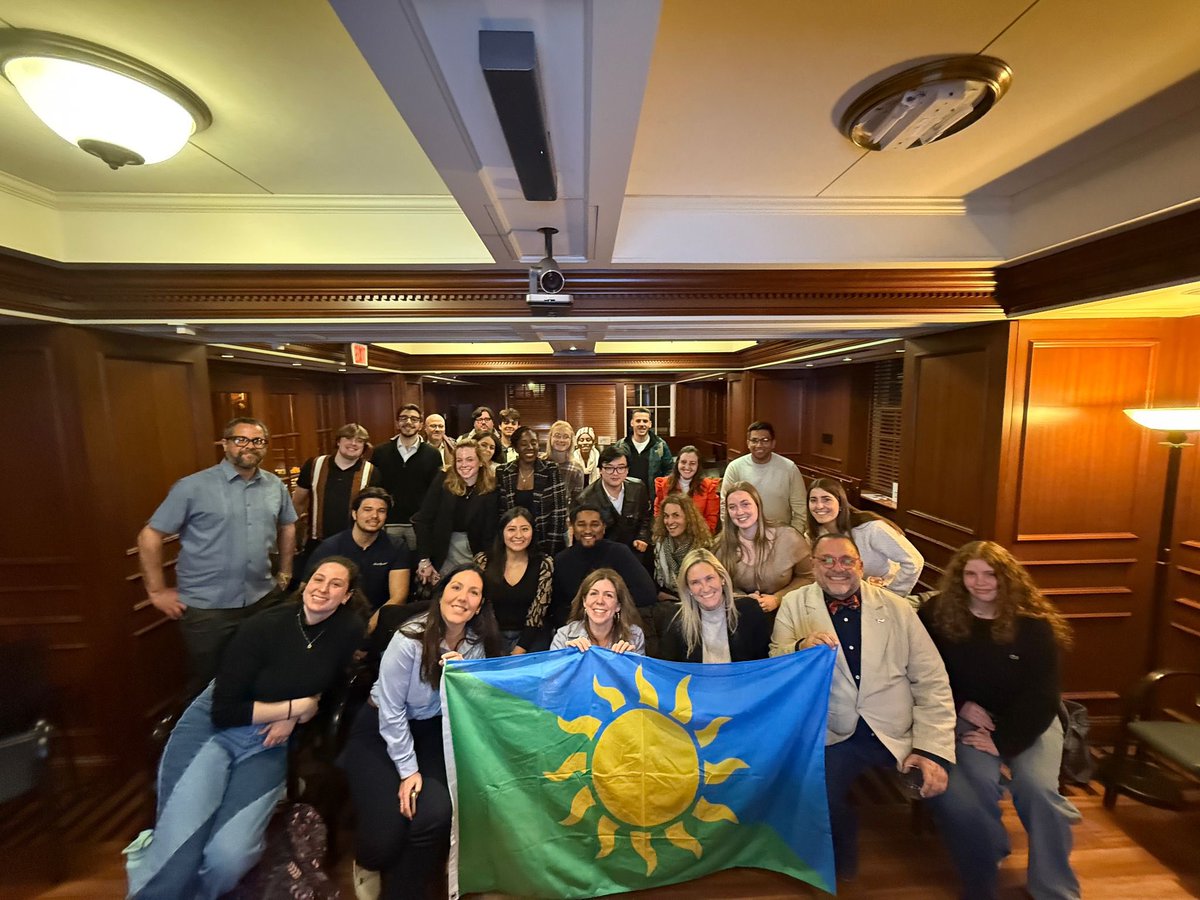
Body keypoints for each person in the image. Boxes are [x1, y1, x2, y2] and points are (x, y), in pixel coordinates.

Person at [126, 558, 364, 899]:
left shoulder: (348, 629)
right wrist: (296, 708)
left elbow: (326, 677)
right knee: (180, 854)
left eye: (335, 584)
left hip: (266, 742)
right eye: (318, 579)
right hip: (213, 731)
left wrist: (295, 714)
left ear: (346, 596)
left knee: (230, 858)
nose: (323, 589)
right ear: (305, 582)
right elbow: (224, 711)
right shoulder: (264, 627)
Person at [769, 533, 956, 882]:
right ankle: (841, 872)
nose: (836, 568)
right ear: (813, 565)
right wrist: (800, 646)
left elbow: (931, 681)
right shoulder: (795, 604)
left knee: (960, 804)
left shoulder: (898, 608)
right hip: (835, 732)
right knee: (817, 798)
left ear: (861, 566)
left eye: (845, 561)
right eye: (826, 560)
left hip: (896, 730)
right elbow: (775, 662)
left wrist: (932, 749)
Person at [920, 541, 1081, 900]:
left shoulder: (1034, 625)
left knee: (1038, 790)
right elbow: (922, 669)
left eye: (990, 574)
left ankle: (1055, 888)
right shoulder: (937, 614)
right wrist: (961, 704)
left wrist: (1005, 740)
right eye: (971, 574)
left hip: (1029, 718)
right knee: (976, 782)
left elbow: (1043, 695)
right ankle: (988, 852)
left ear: (1006, 578)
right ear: (959, 578)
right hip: (966, 716)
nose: (980, 582)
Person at [339, 565, 504, 900]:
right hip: (380, 730)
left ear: (480, 604)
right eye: (456, 587)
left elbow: (473, 700)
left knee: (435, 813)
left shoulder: (475, 643)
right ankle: (369, 862)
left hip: (431, 730)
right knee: (386, 835)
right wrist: (408, 769)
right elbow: (391, 710)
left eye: (473, 592)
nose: (463, 597)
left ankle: (403, 889)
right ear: (441, 593)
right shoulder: (408, 640)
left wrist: (462, 678)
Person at [137, 417, 297, 696]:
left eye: (257, 441)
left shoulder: (275, 485)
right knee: (209, 683)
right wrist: (156, 590)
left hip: (262, 598)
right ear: (225, 444)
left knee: (259, 671)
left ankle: (248, 735)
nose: (249, 446)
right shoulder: (192, 487)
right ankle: (203, 737)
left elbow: (288, 525)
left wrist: (285, 570)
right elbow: (149, 536)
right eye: (240, 439)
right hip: (207, 609)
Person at [807, 478, 924, 596]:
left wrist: (892, 594)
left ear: (841, 503)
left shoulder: (872, 528)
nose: (819, 506)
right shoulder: (813, 535)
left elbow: (914, 561)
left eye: (826, 500)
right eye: (813, 500)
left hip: (880, 592)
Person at [550, 503, 658, 630]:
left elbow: (647, 594)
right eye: (581, 524)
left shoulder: (619, 553)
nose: (588, 530)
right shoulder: (561, 560)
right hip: (576, 629)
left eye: (595, 524)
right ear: (572, 527)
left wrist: (610, 610)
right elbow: (557, 606)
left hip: (617, 625)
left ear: (604, 527)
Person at [305, 487, 410, 615]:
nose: (374, 516)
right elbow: (307, 590)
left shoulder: (397, 547)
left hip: (380, 618)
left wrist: (370, 627)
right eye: (367, 510)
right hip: (335, 616)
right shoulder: (329, 547)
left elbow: (398, 598)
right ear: (355, 514)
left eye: (381, 511)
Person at [716, 481, 812, 614]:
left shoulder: (788, 537)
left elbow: (809, 578)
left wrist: (778, 598)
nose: (739, 511)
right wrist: (743, 599)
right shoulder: (721, 545)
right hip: (742, 614)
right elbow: (718, 585)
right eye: (732, 507)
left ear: (758, 505)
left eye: (745, 504)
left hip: (786, 611)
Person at [659, 549, 769, 663]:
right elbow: (668, 669)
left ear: (722, 578)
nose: (705, 588)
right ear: (688, 588)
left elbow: (763, 665)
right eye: (695, 582)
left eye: (709, 578)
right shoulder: (675, 618)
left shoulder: (749, 610)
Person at [412, 440, 499, 584]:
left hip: (478, 554)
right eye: (459, 460)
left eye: (470, 459)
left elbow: (492, 530)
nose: (464, 464)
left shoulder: (491, 487)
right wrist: (424, 560)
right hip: (444, 551)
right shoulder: (443, 480)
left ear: (481, 462)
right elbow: (423, 520)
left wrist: (487, 563)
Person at [474, 506, 554, 654]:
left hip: (532, 636)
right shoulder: (483, 561)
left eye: (525, 529)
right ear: (502, 532)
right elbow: (479, 606)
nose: (518, 535)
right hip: (490, 634)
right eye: (511, 529)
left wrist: (520, 648)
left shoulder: (544, 563)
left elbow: (538, 612)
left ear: (533, 532)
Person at [292, 423, 379, 557]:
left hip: (355, 544)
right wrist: (293, 536)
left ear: (364, 446)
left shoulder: (372, 472)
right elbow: (297, 503)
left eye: (359, 441)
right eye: (348, 438)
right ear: (338, 441)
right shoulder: (315, 465)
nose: (353, 443)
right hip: (317, 543)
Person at [371, 404, 444, 552]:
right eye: (404, 418)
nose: (409, 422)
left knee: (417, 565)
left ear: (420, 424)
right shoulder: (380, 452)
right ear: (397, 423)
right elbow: (374, 488)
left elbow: (436, 491)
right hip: (388, 522)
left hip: (417, 524)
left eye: (414, 419)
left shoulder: (433, 454)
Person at [720, 421, 807, 534]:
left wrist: (793, 537)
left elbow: (801, 509)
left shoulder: (789, 468)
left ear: (773, 443)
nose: (759, 445)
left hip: (781, 535)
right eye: (754, 441)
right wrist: (732, 535)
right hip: (744, 534)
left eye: (765, 440)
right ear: (748, 443)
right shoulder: (735, 467)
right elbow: (725, 506)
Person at [496, 425, 569, 556]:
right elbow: (502, 512)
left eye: (533, 443)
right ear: (515, 448)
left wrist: (549, 551)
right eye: (523, 444)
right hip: (514, 543)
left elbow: (559, 512)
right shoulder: (503, 472)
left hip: (546, 542)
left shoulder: (551, 469)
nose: (530, 447)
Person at [577, 445, 652, 560]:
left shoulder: (638, 488)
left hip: (634, 553)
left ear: (627, 470)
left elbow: (646, 517)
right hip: (601, 556)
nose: (615, 473)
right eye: (609, 468)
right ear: (600, 470)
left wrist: (642, 537)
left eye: (621, 467)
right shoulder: (586, 499)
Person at [550, 568, 644, 654]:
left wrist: (630, 662)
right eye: (594, 593)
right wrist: (567, 659)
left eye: (608, 595)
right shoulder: (564, 636)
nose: (600, 601)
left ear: (618, 606)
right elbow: (553, 672)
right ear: (584, 601)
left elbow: (641, 671)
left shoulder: (635, 636)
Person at [651, 492, 713, 600]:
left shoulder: (704, 547)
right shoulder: (659, 544)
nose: (669, 522)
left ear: (688, 518)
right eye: (666, 516)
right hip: (667, 600)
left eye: (676, 515)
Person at [653, 444, 721, 533]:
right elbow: (659, 515)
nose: (687, 467)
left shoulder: (709, 487)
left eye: (692, 463)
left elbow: (711, 519)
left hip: (698, 536)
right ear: (677, 463)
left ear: (698, 466)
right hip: (669, 534)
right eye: (683, 462)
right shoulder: (664, 485)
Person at [614, 407, 673, 506]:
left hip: (653, 500)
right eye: (638, 421)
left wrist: (661, 491)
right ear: (632, 423)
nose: (642, 424)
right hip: (625, 500)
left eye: (645, 421)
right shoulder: (621, 445)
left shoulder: (660, 445)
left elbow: (670, 470)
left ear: (650, 424)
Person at [544, 419, 586, 503]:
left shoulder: (576, 468)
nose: (561, 440)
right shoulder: (540, 463)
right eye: (557, 435)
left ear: (571, 441)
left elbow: (577, 501)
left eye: (566, 437)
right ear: (550, 438)